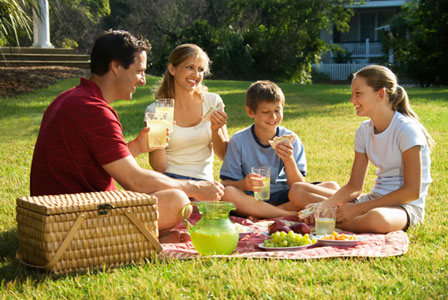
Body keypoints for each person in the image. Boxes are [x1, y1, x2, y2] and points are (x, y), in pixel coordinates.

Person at [30, 30, 224, 242]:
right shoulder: (94, 111)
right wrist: (196, 188)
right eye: (139, 71)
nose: (142, 81)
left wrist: (138, 146)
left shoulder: (71, 97)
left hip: (55, 214)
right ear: (115, 67)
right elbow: (135, 180)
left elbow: (97, 164)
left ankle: (149, 236)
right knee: (177, 200)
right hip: (70, 221)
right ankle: (139, 239)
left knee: (170, 198)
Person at [306, 65, 434, 233]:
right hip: (374, 200)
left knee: (377, 219)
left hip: (404, 207)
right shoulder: (364, 131)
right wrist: (327, 204)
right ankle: (330, 217)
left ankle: (329, 221)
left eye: (358, 94)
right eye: (352, 94)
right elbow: (354, 186)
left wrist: (358, 209)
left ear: (380, 94)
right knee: (301, 193)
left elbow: (411, 192)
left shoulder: (406, 130)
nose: (352, 100)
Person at [219, 80, 339, 219]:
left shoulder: (291, 140)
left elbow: (298, 185)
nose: (273, 117)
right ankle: (287, 214)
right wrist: (244, 184)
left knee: (332, 187)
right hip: (252, 198)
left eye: (277, 110)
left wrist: (289, 160)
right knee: (228, 193)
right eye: (266, 112)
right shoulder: (238, 141)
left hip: (285, 197)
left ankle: (265, 213)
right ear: (250, 112)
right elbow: (226, 183)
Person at [145, 44, 229, 181]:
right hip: (170, 182)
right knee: (178, 198)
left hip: (203, 182)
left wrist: (216, 130)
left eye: (200, 69)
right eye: (189, 67)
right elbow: (158, 167)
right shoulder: (156, 110)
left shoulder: (212, 102)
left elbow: (223, 155)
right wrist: (158, 138)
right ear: (172, 69)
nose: (196, 75)